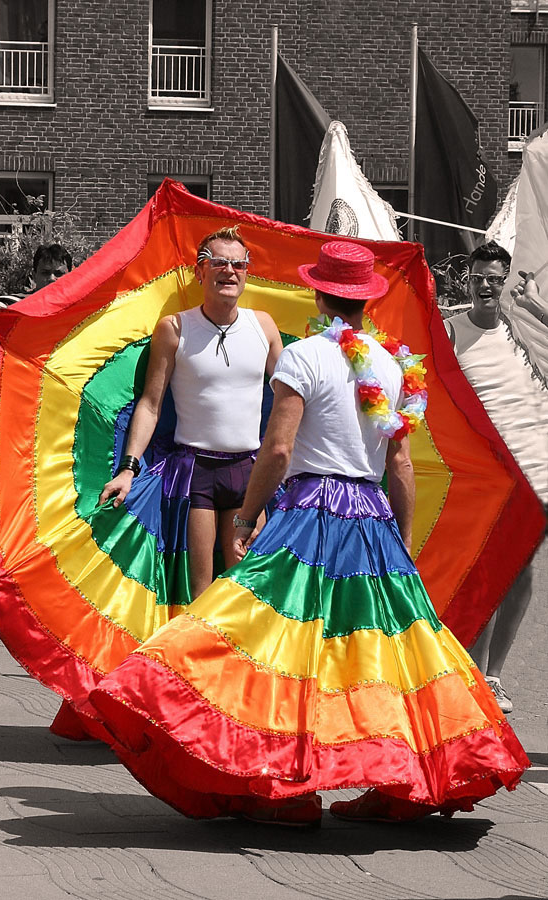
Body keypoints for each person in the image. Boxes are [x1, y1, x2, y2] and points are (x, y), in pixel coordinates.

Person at [90, 241, 527, 828]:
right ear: (366, 300)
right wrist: (398, 535)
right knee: (379, 653)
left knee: (279, 643)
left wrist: (246, 519)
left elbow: (277, 448)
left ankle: (289, 791)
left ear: (320, 294)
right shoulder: (394, 364)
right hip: (371, 516)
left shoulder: (305, 358)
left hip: (312, 511)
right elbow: (399, 465)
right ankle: (400, 784)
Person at [98, 225, 283, 599]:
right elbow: (150, 405)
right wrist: (128, 469)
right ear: (199, 271)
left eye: (238, 264)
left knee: (247, 591)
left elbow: (291, 402)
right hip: (193, 473)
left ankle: (242, 660)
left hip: (249, 471)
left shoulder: (264, 326)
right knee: (199, 593)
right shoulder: (174, 328)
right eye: (218, 262)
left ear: (247, 273)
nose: (229, 271)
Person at [446, 242, 548, 714]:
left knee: (520, 568)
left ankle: (493, 675)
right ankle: (472, 669)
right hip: (485, 473)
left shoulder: (520, 324)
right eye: (478, 278)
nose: (486, 286)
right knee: (487, 568)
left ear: (505, 280)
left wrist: (531, 303)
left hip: (537, 467)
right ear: (467, 282)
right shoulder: (450, 331)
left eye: (494, 278)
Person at [0, 243, 73, 304]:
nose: (52, 278)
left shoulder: (79, 309)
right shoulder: (15, 304)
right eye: (45, 273)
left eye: (58, 274)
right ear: (34, 276)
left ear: (71, 276)